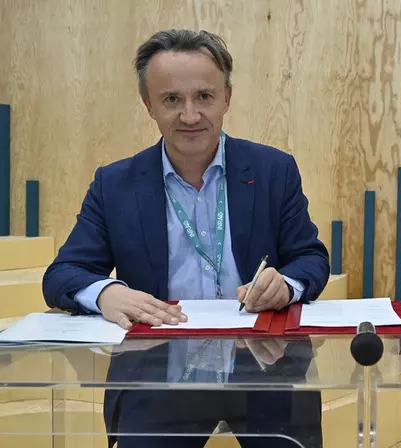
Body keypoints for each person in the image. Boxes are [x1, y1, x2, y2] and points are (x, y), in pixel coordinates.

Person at [42, 29, 329, 448]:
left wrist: (286, 284)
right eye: (172, 99)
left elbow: (311, 259)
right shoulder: (115, 184)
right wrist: (106, 293)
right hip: (158, 377)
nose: (190, 115)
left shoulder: (273, 170)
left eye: (205, 97)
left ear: (227, 98)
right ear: (149, 105)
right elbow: (63, 275)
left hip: (264, 369)